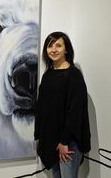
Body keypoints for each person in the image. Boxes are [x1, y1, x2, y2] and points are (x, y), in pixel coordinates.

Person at [34, 31, 91, 178]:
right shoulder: (48, 75)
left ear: (66, 49)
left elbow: (76, 112)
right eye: (49, 45)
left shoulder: (74, 75)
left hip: (69, 142)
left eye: (58, 45)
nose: (53, 49)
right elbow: (43, 107)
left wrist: (64, 141)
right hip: (51, 139)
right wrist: (39, 135)